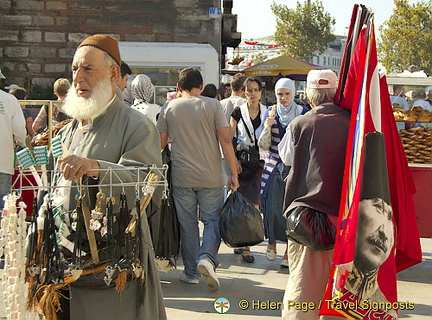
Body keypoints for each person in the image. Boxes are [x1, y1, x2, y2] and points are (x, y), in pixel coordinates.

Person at [45, 34, 166, 320]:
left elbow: (147, 181)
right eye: (74, 69)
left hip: (112, 262)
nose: (78, 78)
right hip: (65, 258)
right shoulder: (70, 129)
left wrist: (96, 167)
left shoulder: (135, 124)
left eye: (88, 69)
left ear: (113, 73)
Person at [157, 67, 239, 291]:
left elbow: (160, 144)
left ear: (178, 88)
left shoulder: (169, 107)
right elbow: (225, 140)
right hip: (211, 175)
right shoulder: (213, 105)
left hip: (182, 176)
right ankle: (207, 257)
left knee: (188, 224)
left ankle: (191, 272)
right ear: (201, 86)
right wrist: (233, 172)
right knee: (213, 220)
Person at [279, 69, 350, 320]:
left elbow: (286, 157)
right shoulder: (353, 122)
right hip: (345, 218)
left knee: (304, 286)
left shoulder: (299, 123)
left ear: (309, 97)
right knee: (341, 289)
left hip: (306, 219)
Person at [259, 78, 307, 268]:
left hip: (295, 167)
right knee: (271, 208)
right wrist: (267, 126)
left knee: (291, 209)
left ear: (293, 94)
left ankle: (288, 250)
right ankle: (271, 243)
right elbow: (262, 143)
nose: (284, 98)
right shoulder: (270, 113)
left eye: (287, 94)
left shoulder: (303, 113)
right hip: (273, 166)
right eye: (280, 94)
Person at [229, 76, 267, 263]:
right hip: (242, 163)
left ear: (261, 92)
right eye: (249, 90)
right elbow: (228, 139)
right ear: (244, 92)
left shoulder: (268, 113)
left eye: (255, 90)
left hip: (259, 163)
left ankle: (247, 246)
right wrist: (233, 161)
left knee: (254, 204)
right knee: (240, 203)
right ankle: (243, 242)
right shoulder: (237, 112)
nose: (252, 93)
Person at [0, 88, 26, 209]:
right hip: (3, 161)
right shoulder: (9, 100)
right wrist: (22, 143)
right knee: (2, 209)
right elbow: (20, 131)